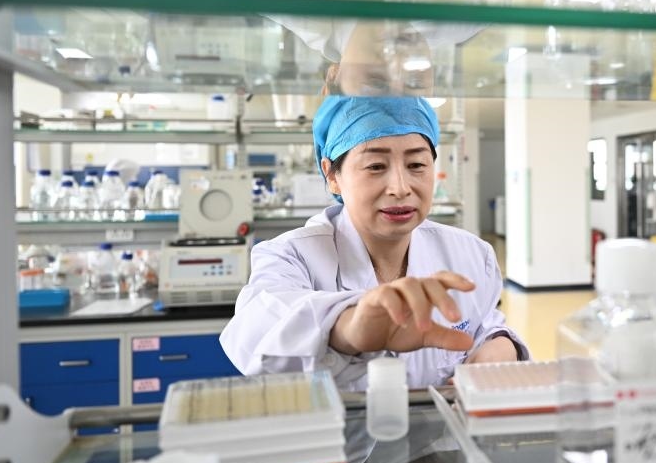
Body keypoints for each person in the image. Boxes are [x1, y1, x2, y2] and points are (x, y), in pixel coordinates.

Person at [220, 95, 527, 389]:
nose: (400, 188)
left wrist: (500, 346)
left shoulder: (470, 253)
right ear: (332, 175)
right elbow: (256, 332)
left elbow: (484, 323)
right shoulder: (290, 256)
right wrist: (348, 328)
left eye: (416, 165)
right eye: (376, 166)